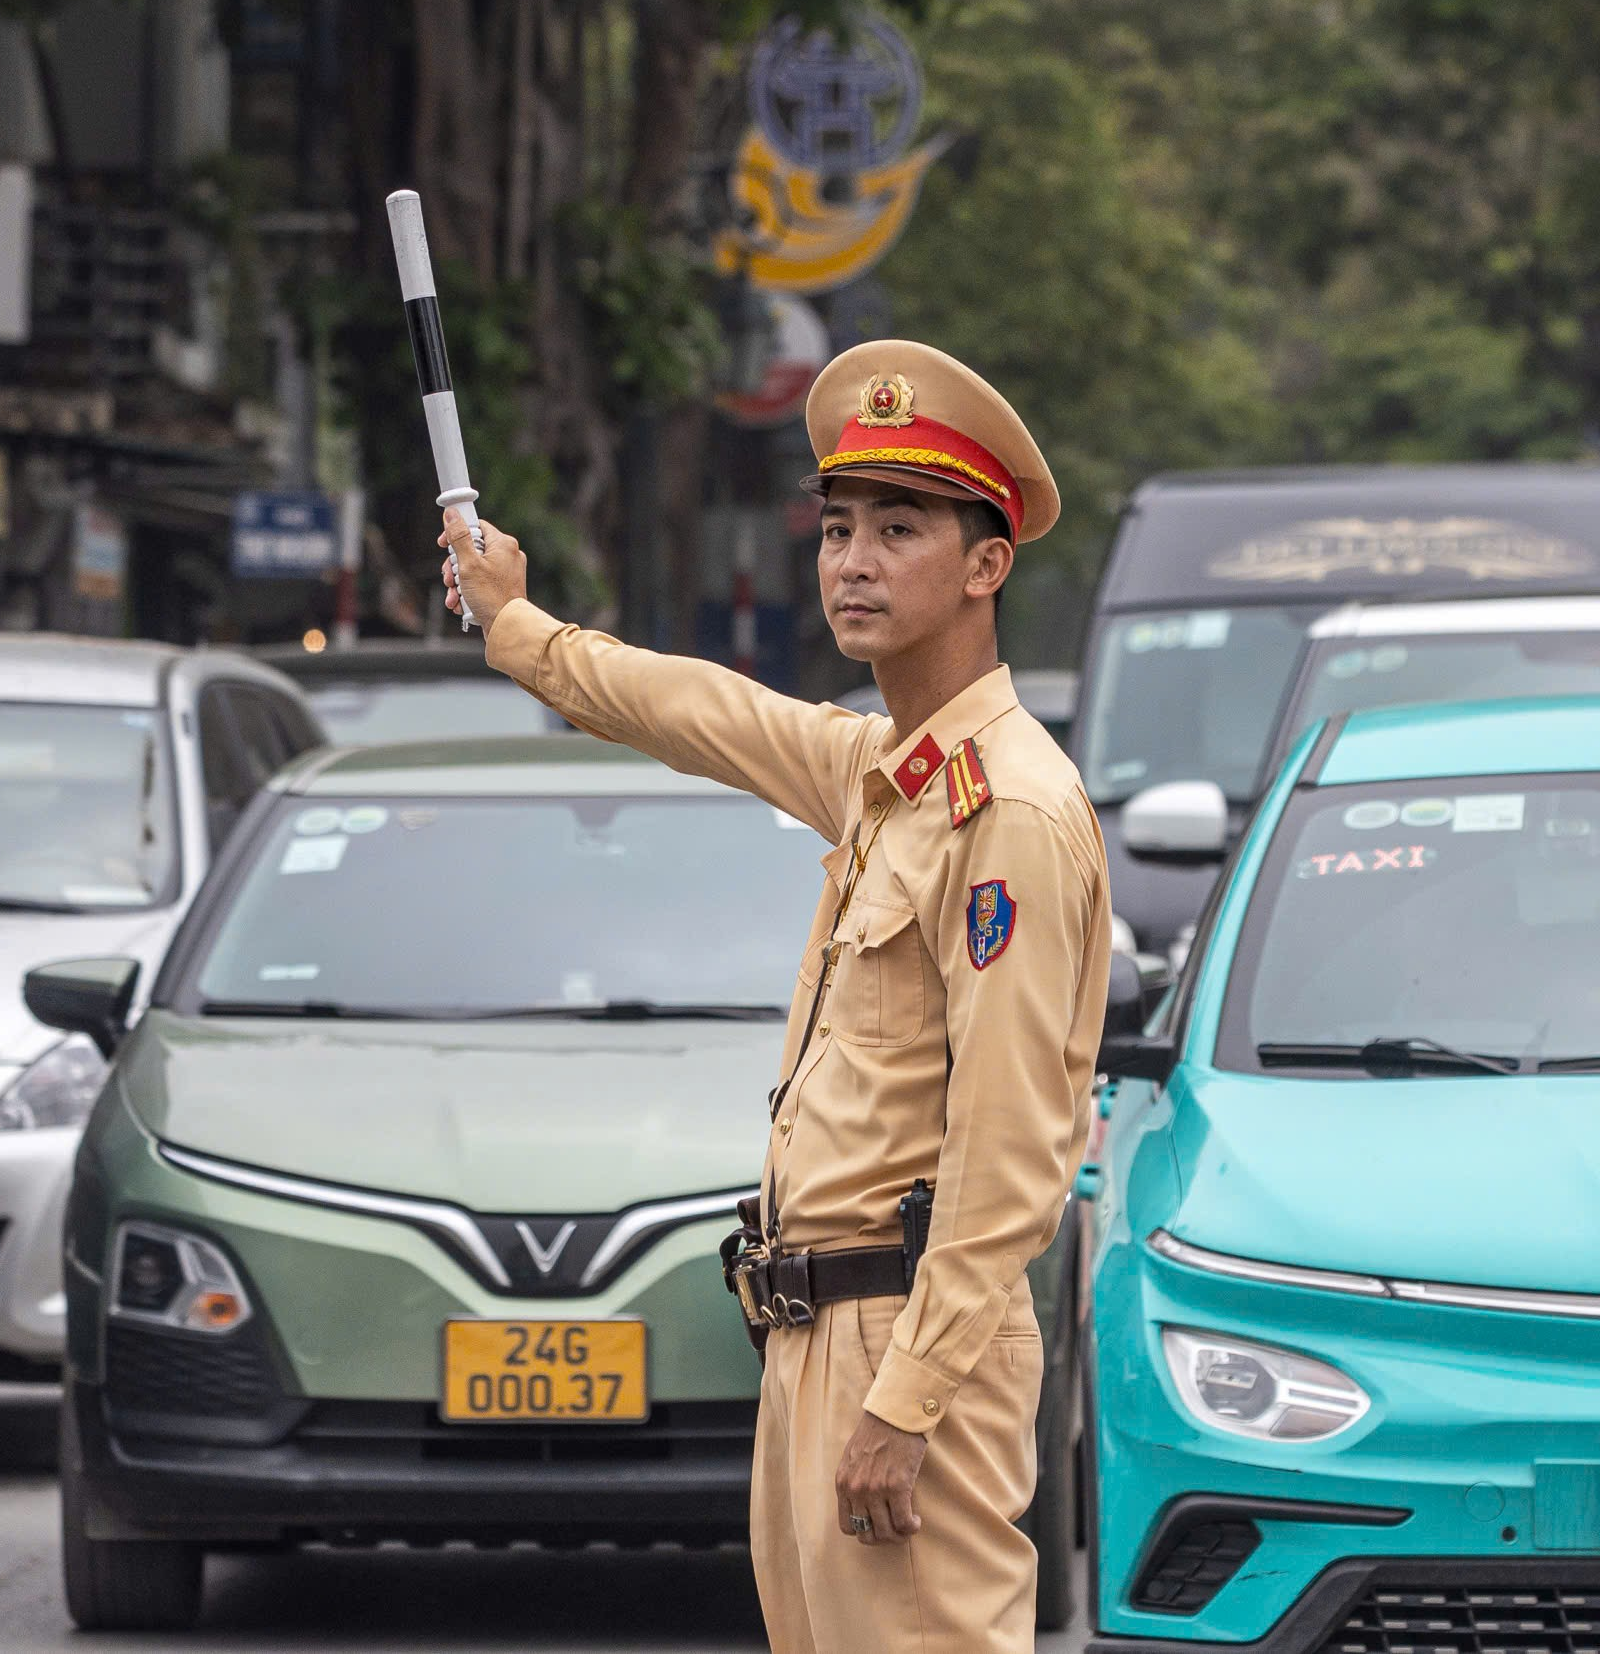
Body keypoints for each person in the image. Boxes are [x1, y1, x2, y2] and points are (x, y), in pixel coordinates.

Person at [438, 340, 1108, 1652]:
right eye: (839, 528)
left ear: (986, 567)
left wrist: (907, 1398)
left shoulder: (1008, 809)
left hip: (909, 1340)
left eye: (899, 530)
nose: (853, 560)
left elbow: (1013, 1152)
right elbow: (700, 707)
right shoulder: (885, 769)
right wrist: (517, 626)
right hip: (811, 1328)